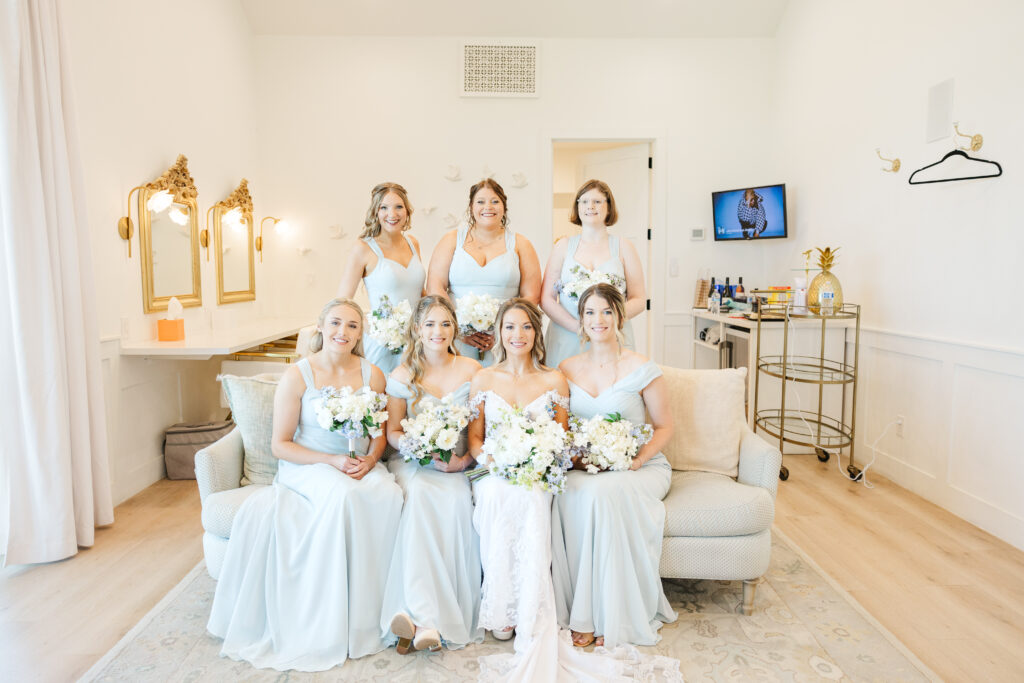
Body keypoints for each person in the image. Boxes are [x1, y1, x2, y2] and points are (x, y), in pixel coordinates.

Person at [467, 298, 680, 681]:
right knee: (502, 496)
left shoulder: (555, 378)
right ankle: (502, 610)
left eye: (527, 327)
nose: (518, 335)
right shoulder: (492, 378)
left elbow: (562, 439)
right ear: (498, 332)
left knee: (543, 499)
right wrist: (500, 463)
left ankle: (543, 610)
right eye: (510, 327)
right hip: (506, 470)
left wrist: (542, 463)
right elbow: (477, 439)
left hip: (572, 469)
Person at [207, 298, 403, 672]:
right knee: (344, 497)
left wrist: (371, 459)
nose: (342, 332)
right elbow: (280, 445)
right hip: (309, 464)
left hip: (358, 463)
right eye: (335, 323)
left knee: (387, 494)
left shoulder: (372, 374)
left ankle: (372, 613)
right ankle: (332, 618)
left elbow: (378, 435)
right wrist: (330, 461)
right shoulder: (298, 375)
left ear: (361, 334)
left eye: (351, 326)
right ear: (320, 328)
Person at [550, 283, 677, 651]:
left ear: (620, 317)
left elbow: (665, 427)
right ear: (580, 320)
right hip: (584, 468)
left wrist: (635, 459)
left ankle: (610, 614)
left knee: (604, 496)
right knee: (568, 492)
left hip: (640, 466)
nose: (598, 319)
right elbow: (559, 425)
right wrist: (574, 457)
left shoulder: (642, 367)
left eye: (607, 311)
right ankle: (580, 610)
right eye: (590, 312)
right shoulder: (566, 368)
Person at [380, 295, 484, 654]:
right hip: (416, 465)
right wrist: (417, 447)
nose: (438, 331)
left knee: (456, 502)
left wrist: (465, 460)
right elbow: (393, 432)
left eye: (445, 323)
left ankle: (422, 621)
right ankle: (422, 619)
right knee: (421, 495)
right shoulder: (402, 374)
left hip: (458, 465)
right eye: (429, 324)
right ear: (416, 330)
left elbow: (480, 429)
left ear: (454, 328)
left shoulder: (472, 371)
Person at [426, 179, 542, 367]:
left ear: (504, 206)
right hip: (455, 337)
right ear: (471, 207)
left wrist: (504, 330)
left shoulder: (521, 244)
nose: (488, 207)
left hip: (505, 339)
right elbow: (434, 286)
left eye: (495, 201)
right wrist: (457, 329)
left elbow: (532, 295)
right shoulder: (451, 240)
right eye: (480, 201)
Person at [541, 180, 646, 368]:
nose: (590, 206)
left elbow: (639, 299)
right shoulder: (562, 246)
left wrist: (608, 322)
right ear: (577, 207)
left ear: (609, 207)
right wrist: (578, 327)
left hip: (611, 335)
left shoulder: (624, 246)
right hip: (567, 336)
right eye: (583, 201)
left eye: (597, 201)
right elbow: (547, 299)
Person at [337, 182, 425, 375]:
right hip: (383, 343)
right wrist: (375, 328)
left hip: (417, 340)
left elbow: (420, 292)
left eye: (398, 207)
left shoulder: (413, 243)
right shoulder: (363, 247)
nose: (392, 214)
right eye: (384, 207)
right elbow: (342, 302)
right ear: (375, 212)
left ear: (407, 211)